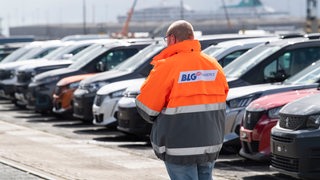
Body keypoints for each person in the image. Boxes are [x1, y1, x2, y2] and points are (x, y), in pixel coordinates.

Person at [135, 20, 229, 180]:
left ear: (172, 39)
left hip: (180, 146)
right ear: (192, 37)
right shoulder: (213, 65)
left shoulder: (167, 66)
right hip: (210, 144)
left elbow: (147, 108)